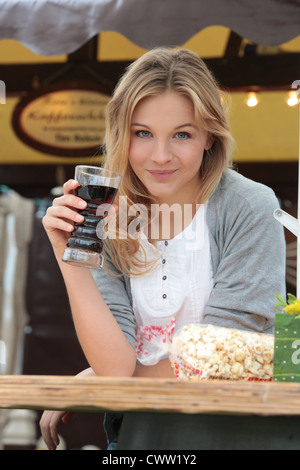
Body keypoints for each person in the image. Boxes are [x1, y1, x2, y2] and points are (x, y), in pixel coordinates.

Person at [40, 47, 286, 450]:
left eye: (182, 135)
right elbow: (115, 365)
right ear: (124, 134)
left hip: (240, 434)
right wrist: (70, 257)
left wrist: (94, 379)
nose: (160, 156)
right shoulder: (108, 216)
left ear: (210, 135)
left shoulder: (248, 206)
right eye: (143, 133)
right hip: (141, 436)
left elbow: (222, 357)